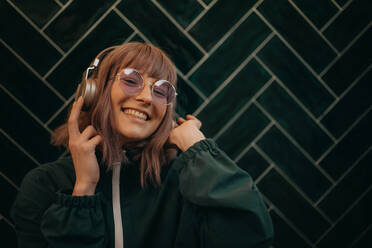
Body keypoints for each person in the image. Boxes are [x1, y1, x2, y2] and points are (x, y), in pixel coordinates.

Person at [11, 42, 274, 248]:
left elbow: (250, 238)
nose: (147, 97)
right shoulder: (44, 186)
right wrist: (83, 191)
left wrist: (198, 150)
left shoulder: (185, 185)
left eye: (161, 90)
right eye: (130, 80)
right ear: (95, 90)